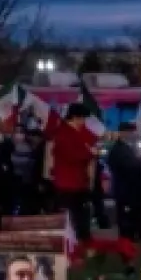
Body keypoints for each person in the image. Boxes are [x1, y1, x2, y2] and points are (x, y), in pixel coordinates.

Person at [45, 104, 98, 243]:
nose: (84, 123)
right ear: (75, 118)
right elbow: (71, 155)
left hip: (79, 181)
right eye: (82, 119)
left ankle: (82, 238)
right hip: (67, 183)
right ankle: (71, 240)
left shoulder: (76, 132)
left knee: (82, 214)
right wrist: (89, 153)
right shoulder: (63, 134)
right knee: (70, 215)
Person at [107, 122, 141, 241]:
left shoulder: (130, 147)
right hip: (124, 187)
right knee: (125, 214)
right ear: (123, 133)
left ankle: (134, 234)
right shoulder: (118, 148)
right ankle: (126, 237)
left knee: (133, 213)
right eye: (130, 132)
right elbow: (123, 166)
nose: (132, 134)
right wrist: (139, 160)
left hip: (133, 188)